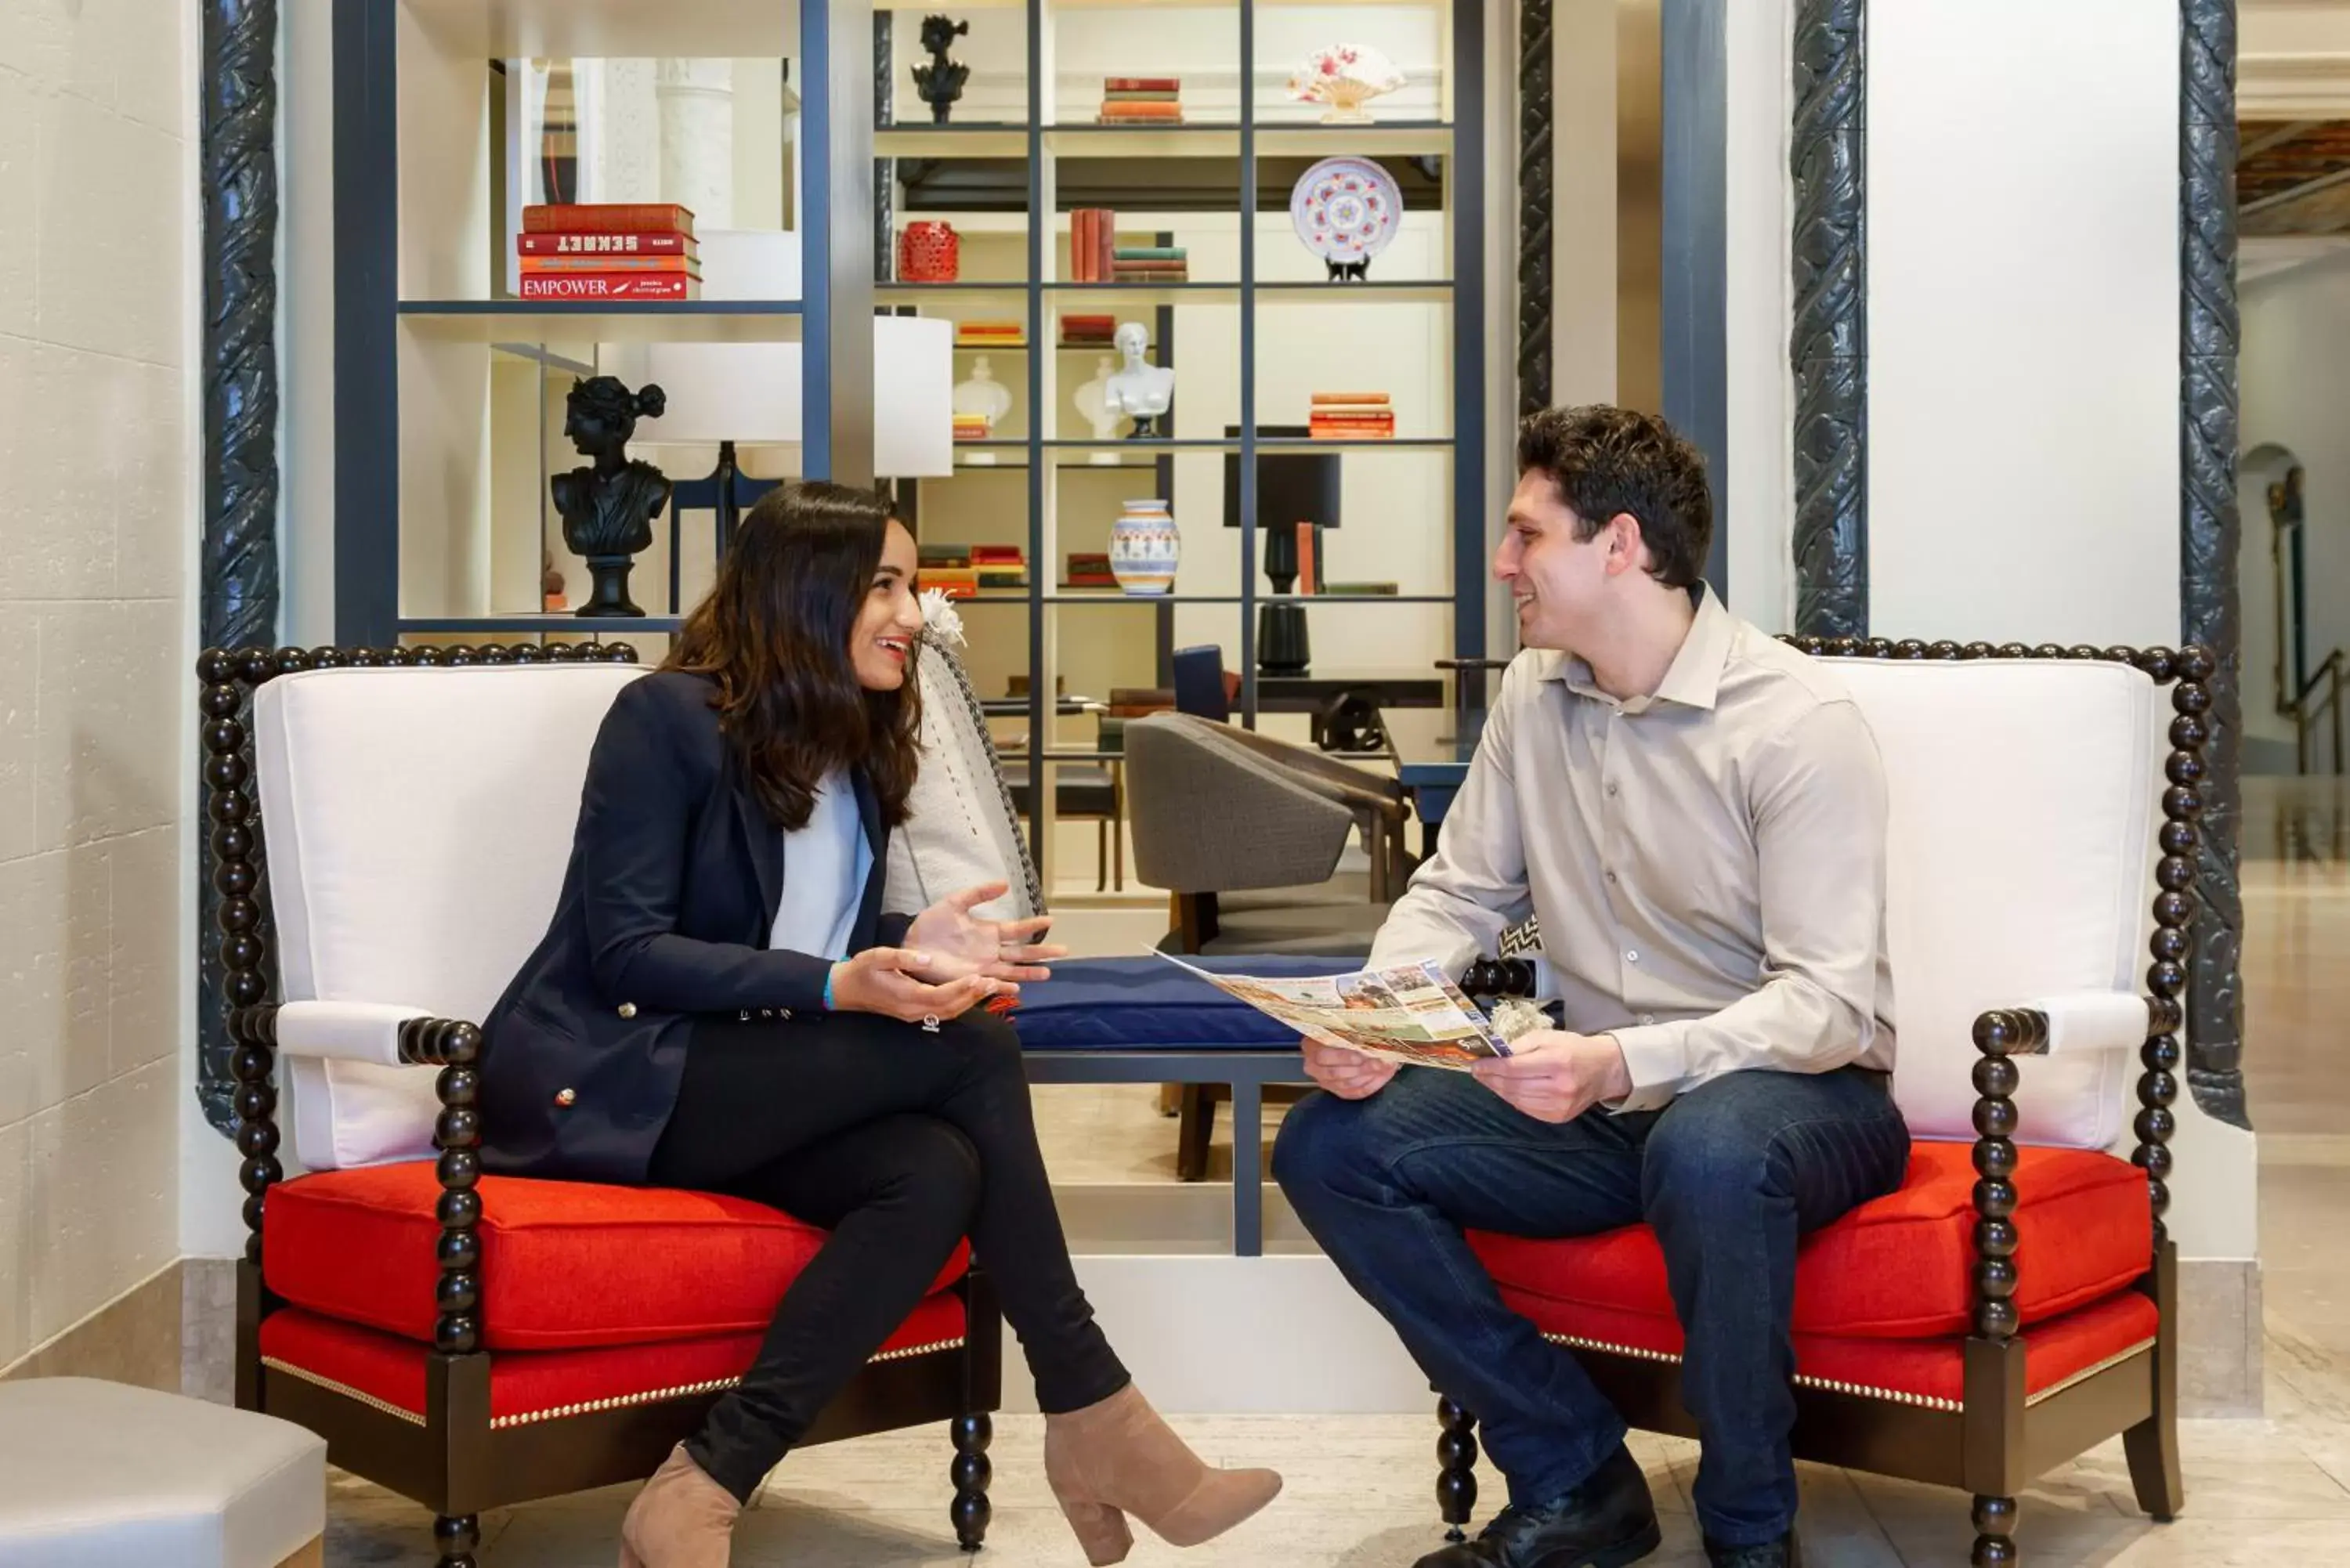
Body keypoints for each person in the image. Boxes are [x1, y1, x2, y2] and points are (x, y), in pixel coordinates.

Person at [479, 481, 1281, 1568]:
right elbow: (626, 953)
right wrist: (841, 988)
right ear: (805, 591)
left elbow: (813, 933)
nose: (916, 611)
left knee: (935, 1170)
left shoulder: (853, 743)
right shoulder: (662, 718)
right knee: (975, 1043)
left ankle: (703, 1483)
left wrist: (918, 943)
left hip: (753, 1078)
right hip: (620, 1076)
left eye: (914, 583)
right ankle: (1095, 1410)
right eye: (887, 584)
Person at [1272, 406, 1907, 1568]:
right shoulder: (1534, 696)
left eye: (1527, 534)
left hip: (1803, 1098)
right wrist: (1375, 1016)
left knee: (1708, 1148)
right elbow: (1461, 890)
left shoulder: (1797, 725)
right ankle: (1574, 1474)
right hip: (1611, 1104)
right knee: (1329, 1147)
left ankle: (1751, 1534)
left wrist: (1622, 1061)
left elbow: (1828, 1005)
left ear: (1618, 545)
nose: (1504, 562)